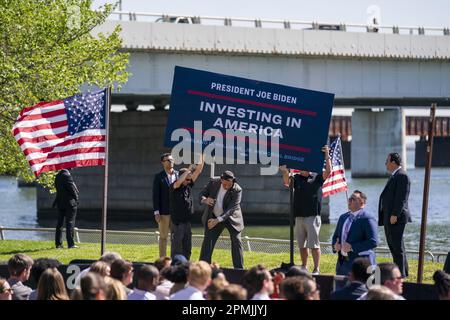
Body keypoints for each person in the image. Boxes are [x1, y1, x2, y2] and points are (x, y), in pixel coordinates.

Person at [279, 145, 331, 275]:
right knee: (302, 245)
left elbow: (328, 172)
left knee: (314, 245)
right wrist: (285, 171)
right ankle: (304, 266)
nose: (303, 168)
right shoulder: (296, 178)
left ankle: (316, 268)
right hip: (299, 215)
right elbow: (286, 183)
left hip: (313, 216)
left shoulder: (317, 176)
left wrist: (327, 155)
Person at [199, 170, 245, 269]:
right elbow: (202, 194)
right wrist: (204, 199)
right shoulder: (213, 182)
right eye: (225, 184)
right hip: (213, 217)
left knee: (236, 240)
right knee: (208, 241)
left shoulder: (237, 189)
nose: (227, 186)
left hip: (231, 219)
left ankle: (239, 269)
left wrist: (218, 220)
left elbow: (232, 208)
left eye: (230, 184)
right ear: (221, 180)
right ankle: (203, 268)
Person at [378, 152, 411, 278]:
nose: (385, 163)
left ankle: (400, 275)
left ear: (393, 162)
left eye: (387, 161)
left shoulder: (402, 175)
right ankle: (403, 272)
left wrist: (395, 214)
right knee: (394, 245)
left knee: (397, 247)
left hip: (395, 218)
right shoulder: (394, 175)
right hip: (389, 217)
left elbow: (402, 197)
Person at [332, 190, 378, 276]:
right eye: (349, 199)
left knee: (364, 289)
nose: (349, 201)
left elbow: (373, 241)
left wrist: (352, 247)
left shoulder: (367, 218)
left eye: (353, 199)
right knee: (341, 288)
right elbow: (335, 237)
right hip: (342, 265)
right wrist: (335, 246)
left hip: (362, 265)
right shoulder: (343, 217)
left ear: (362, 203)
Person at [170, 154, 204, 260]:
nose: (189, 181)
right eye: (187, 179)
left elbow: (198, 170)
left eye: (190, 179)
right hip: (178, 223)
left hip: (187, 222)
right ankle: (176, 264)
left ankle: (186, 264)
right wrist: (189, 169)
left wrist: (202, 156)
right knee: (177, 246)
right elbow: (179, 181)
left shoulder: (188, 186)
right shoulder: (174, 187)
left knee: (187, 246)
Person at [153, 153, 179, 257]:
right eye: (168, 160)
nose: (171, 161)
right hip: (163, 213)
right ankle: (162, 259)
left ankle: (175, 259)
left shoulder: (179, 175)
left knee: (176, 237)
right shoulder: (159, 177)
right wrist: (156, 212)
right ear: (163, 163)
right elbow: (156, 195)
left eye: (172, 160)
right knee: (163, 237)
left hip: (176, 213)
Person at [53, 168, 79, 249]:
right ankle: (71, 244)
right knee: (70, 223)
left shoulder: (57, 176)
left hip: (60, 203)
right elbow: (72, 189)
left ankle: (58, 244)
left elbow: (58, 190)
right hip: (69, 203)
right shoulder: (67, 176)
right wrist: (76, 198)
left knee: (59, 224)